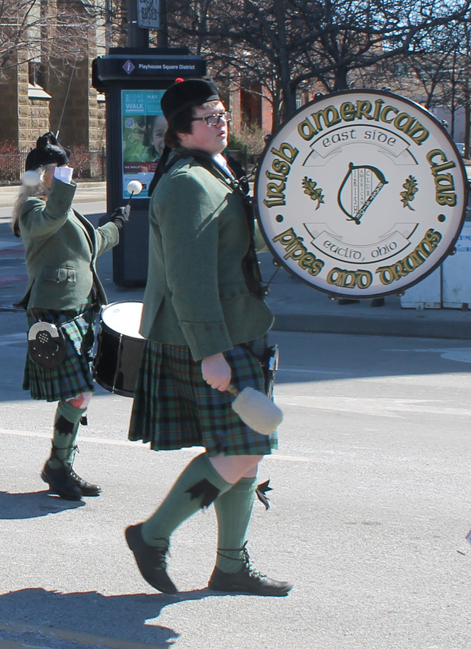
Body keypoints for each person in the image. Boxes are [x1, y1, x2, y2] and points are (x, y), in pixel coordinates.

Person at [125, 79, 292, 597]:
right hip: (207, 337)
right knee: (244, 447)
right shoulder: (186, 185)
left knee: (245, 452)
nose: (221, 122)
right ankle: (151, 536)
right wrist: (211, 353)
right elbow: (187, 279)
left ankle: (230, 566)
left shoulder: (214, 173)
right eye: (208, 117)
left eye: (221, 113)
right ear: (179, 130)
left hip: (237, 329)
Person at [12, 132, 128, 501]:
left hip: (81, 310)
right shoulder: (31, 212)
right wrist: (60, 176)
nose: (67, 173)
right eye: (59, 169)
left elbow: (91, 243)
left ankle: (59, 464)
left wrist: (118, 225)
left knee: (80, 395)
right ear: (42, 174)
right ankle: (59, 465)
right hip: (54, 311)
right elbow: (54, 216)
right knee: (78, 394)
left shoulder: (66, 210)